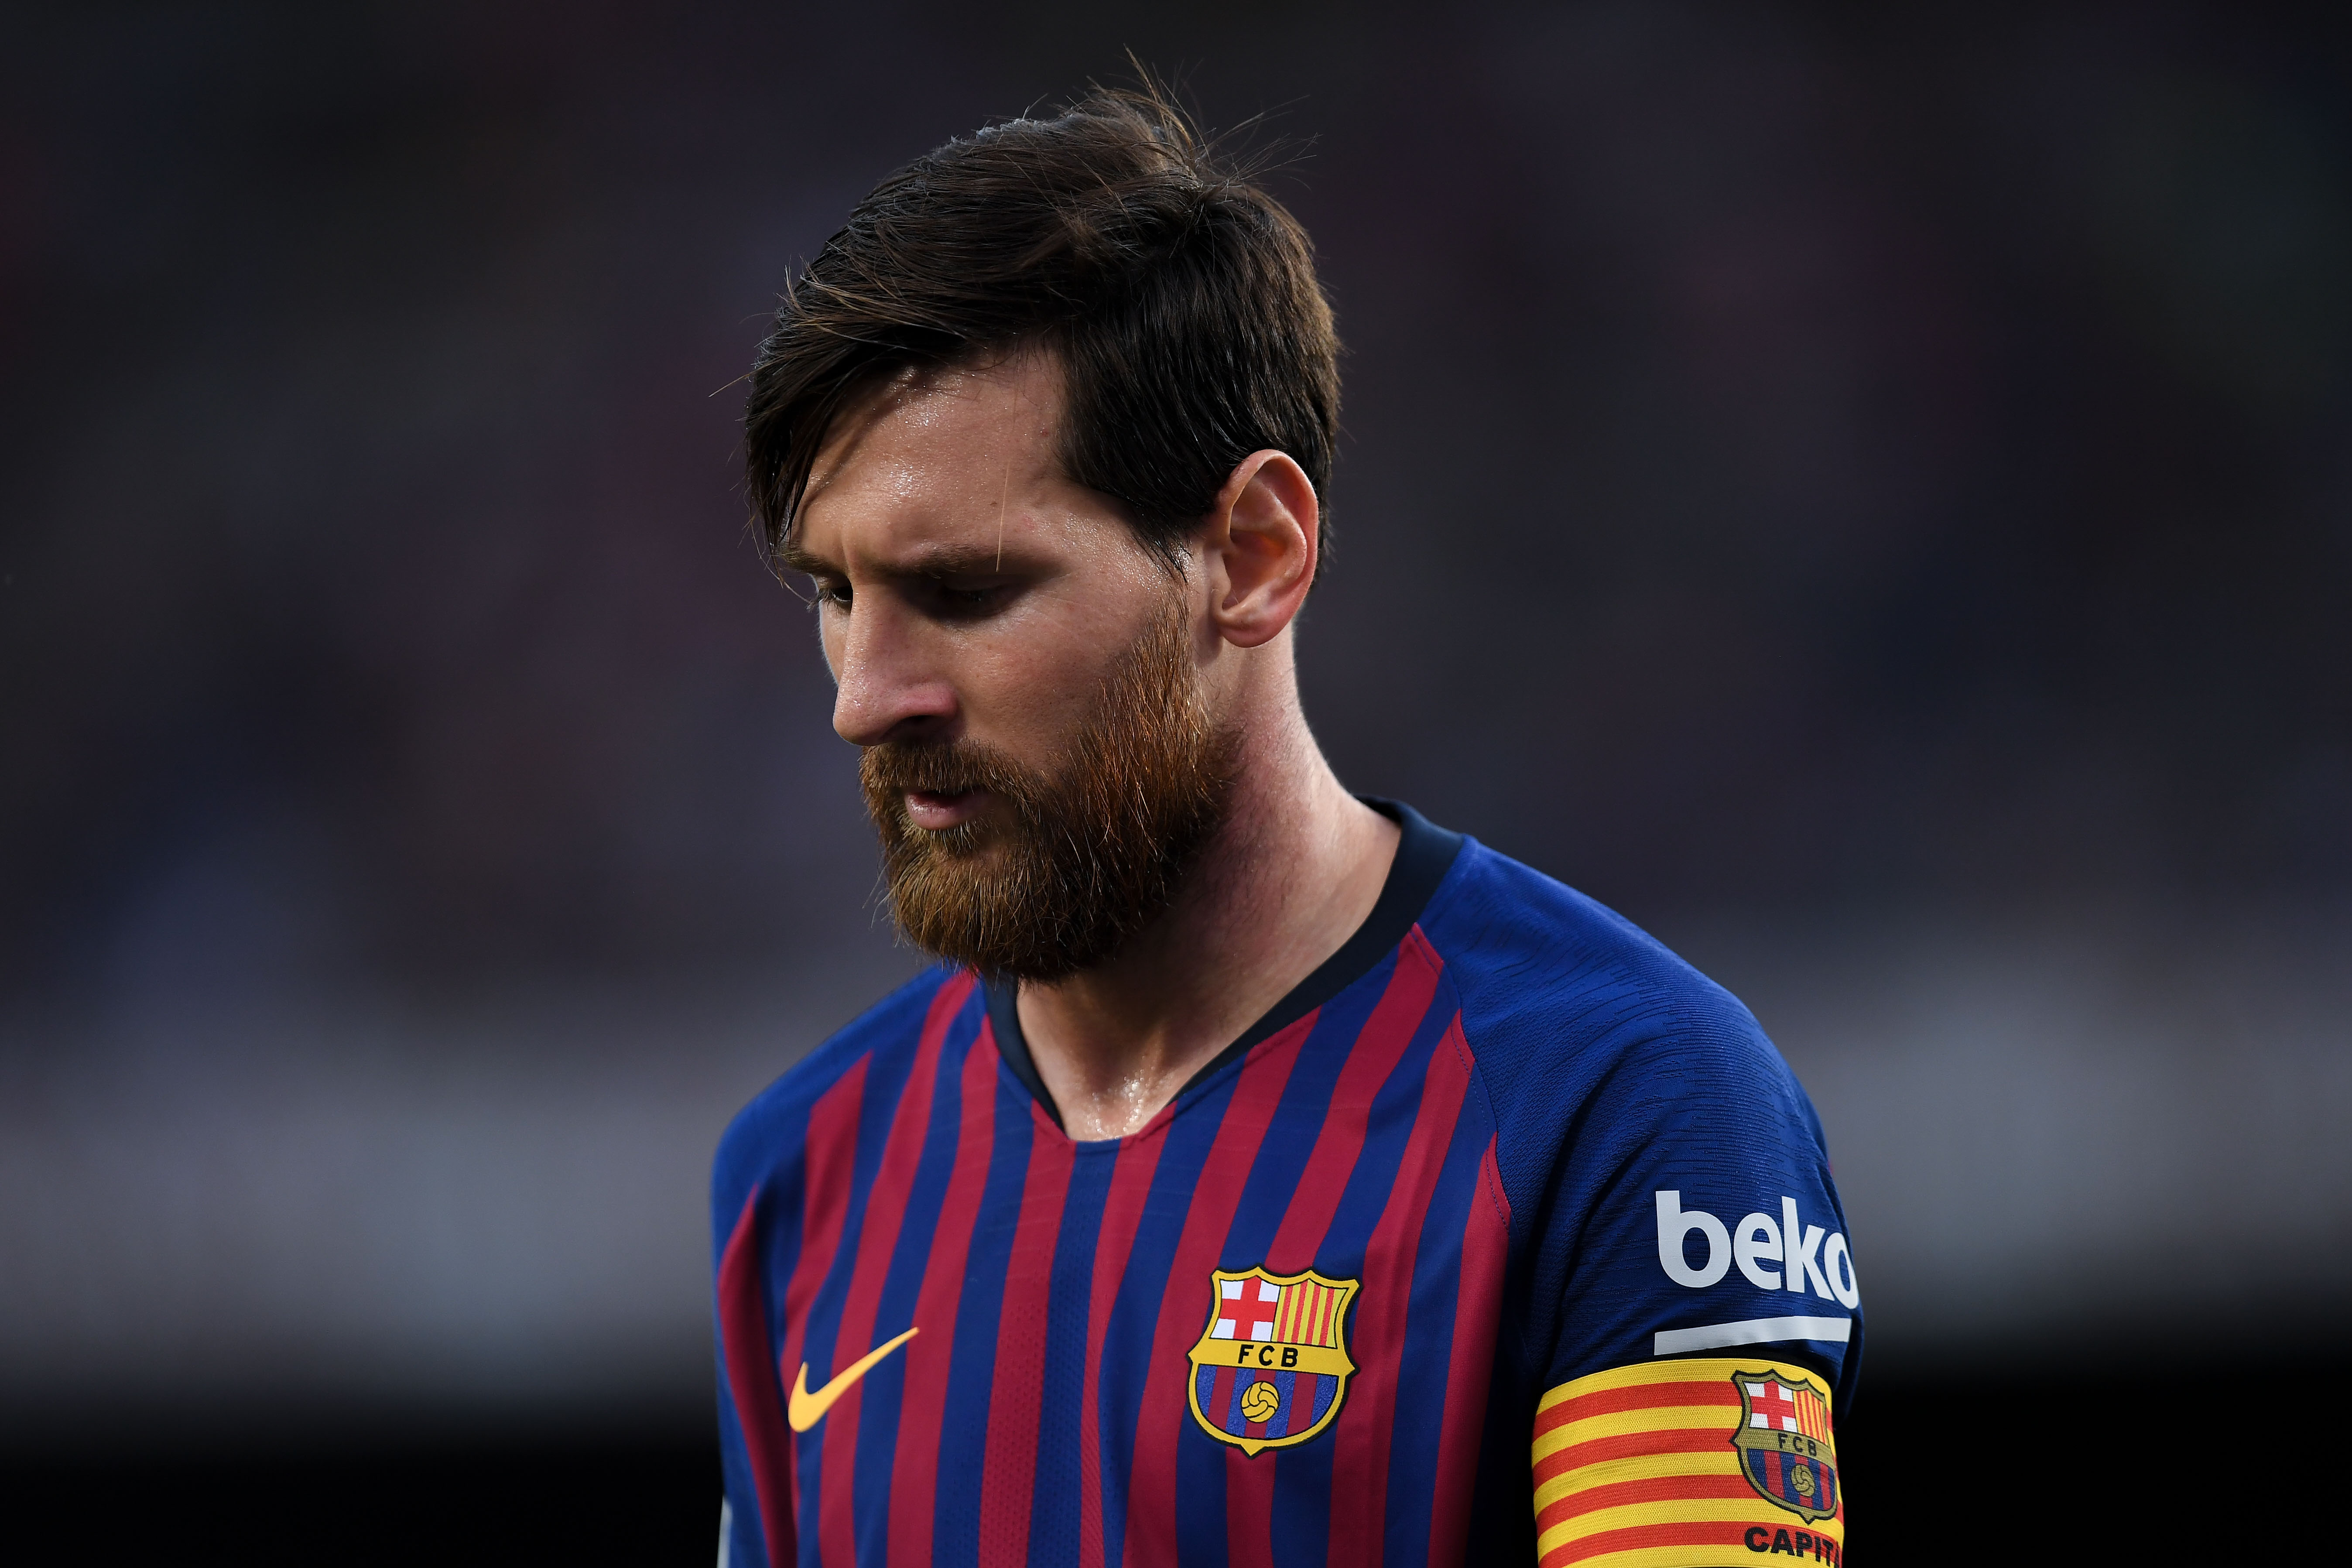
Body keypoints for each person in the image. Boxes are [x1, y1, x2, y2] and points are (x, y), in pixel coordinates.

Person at [711, 85, 1860, 1568]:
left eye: (969, 591)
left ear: (1254, 555)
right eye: (833, 595)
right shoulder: (804, 1174)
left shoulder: (1624, 1106)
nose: (867, 698)